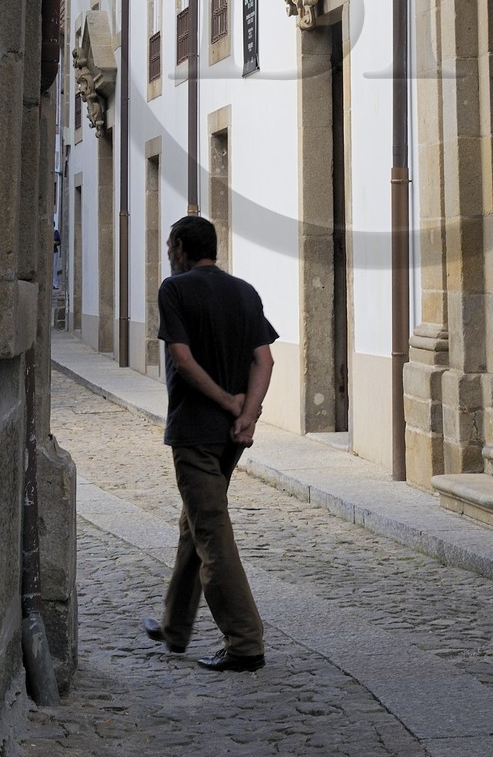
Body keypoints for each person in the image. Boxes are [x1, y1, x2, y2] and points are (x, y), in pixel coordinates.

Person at [142, 214, 277, 672]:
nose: (169, 257)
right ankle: (175, 626)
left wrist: (225, 401)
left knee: (211, 533)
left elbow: (181, 358)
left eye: (168, 248)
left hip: (195, 432)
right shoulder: (245, 291)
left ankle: (244, 642)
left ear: (180, 247)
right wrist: (247, 414)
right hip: (229, 440)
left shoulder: (174, 289)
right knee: (195, 523)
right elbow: (265, 359)